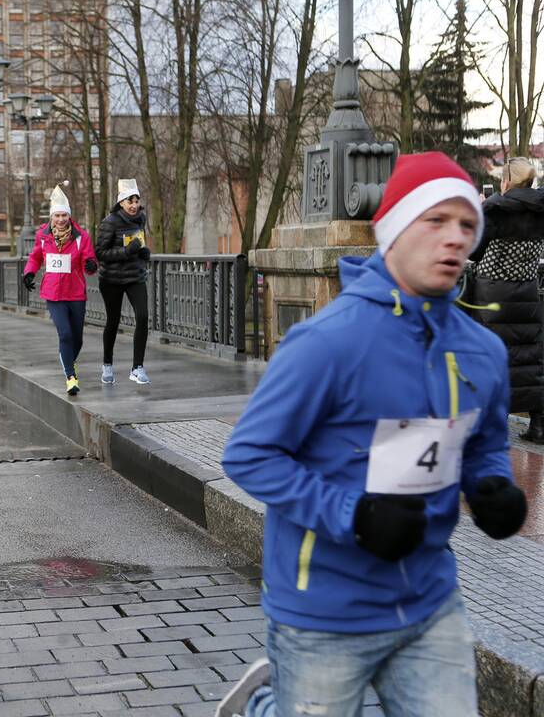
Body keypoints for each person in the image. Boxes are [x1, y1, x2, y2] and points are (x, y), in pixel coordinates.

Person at [217, 153, 528, 717]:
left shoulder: (481, 350)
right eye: (435, 221)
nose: (455, 238)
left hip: (429, 602)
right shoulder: (327, 342)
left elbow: (484, 442)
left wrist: (493, 486)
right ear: (393, 230)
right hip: (323, 610)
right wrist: (354, 515)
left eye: (466, 224)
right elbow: (249, 455)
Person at [467, 156, 544, 443]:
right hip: (527, 291)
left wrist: (479, 209)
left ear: (507, 181)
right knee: (528, 357)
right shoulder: (540, 209)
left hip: (493, 294)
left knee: (491, 356)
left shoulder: (496, 210)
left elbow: (474, 252)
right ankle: (538, 425)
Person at [22, 184, 98, 395]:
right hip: (54, 293)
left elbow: (88, 259)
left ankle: (68, 361)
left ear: (69, 216)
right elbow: (36, 256)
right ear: (51, 217)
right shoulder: (43, 236)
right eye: (57, 215)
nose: (61, 219)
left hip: (75, 293)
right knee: (64, 334)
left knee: (78, 338)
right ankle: (71, 377)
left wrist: (91, 264)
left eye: (65, 215)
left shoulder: (81, 236)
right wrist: (29, 272)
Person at [96, 178, 152, 385]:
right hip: (111, 279)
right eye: (130, 201)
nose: (134, 205)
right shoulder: (109, 222)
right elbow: (100, 253)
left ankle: (137, 368)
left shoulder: (140, 219)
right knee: (113, 321)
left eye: (136, 201)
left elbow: (140, 241)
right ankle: (107, 364)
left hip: (135, 276)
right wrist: (127, 251)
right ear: (121, 203)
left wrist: (144, 252)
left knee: (143, 316)